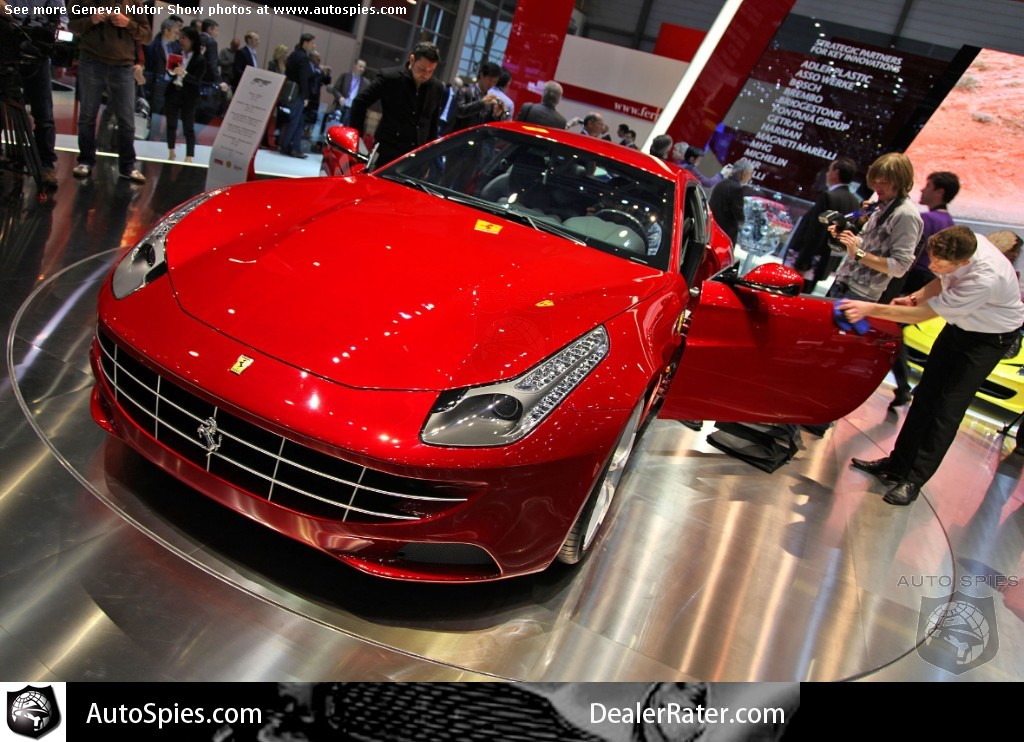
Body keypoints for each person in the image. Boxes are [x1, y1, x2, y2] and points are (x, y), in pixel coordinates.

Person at [841, 226, 1024, 505]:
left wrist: (869, 309)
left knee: (947, 409)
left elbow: (921, 316)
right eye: (932, 258)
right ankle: (897, 464)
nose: (932, 265)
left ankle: (914, 480)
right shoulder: (966, 244)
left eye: (940, 262)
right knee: (925, 395)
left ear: (965, 261)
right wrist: (914, 296)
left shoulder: (985, 278)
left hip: (989, 339)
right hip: (961, 326)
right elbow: (942, 279)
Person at [884, 170, 960, 407]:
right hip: (927, 282)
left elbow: (906, 256)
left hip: (911, 280)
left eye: (928, 185)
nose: (923, 189)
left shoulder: (926, 220)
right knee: (893, 330)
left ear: (940, 191)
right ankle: (903, 386)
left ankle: (903, 386)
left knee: (888, 327)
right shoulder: (949, 223)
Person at [69, 7, 152, 183]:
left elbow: (146, 35)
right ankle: (85, 161)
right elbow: (72, 26)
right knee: (87, 116)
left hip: (123, 65)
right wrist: (91, 20)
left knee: (127, 120)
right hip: (91, 61)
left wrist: (127, 23)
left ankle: (128, 166)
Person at [826, 152, 922, 302]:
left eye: (883, 182)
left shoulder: (906, 215)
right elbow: (864, 243)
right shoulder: (879, 207)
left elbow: (900, 267)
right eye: (875, 181)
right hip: (842, 283)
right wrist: (847, 238)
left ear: (900, 182)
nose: (877, 186)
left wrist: (858, 254)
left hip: (860, 295)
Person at [0, 0, 65, 187]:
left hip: (37, 50)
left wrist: (57, 30)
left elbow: (61, 18)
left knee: (43, 112)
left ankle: (46, 165)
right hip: (6, 46)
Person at [350, 42, 445, 165]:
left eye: (431, 71)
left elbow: (432, 124)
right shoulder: (390, 78)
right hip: (386, 155)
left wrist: (428, 159)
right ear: (412, 60)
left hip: (417, 160)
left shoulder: (437, 87)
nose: (426, 75)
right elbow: (359, 103)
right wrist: (357, 140)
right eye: (422, 69)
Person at [789, 156, 862, 293]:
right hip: (823, 263)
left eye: (829, 170)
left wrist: (802, 263)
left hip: (808, 262)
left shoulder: (829, 196)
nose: (827, 174)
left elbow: (815, 232)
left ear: (836, 173)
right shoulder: (854, 202)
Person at [163, 26, 205, 164]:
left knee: (188, 126)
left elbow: (197, 81)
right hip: (174, 91)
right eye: (180, 37)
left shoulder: (200, 59)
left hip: (189, 96)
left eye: (184, 38)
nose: (181, 40)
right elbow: (170, 73)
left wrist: (184, 74)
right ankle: (171, 151)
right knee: (171, 124)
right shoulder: (177, 53)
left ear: (192, 40)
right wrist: (171, 71)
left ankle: (189, 155)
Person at [279, 33, 316, 158]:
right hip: (298, 93)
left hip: (290, 91)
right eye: (312, 43)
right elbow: (303, 78)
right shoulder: (303, 58)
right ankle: (287, 147)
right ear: (305, 42)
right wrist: (305, 96)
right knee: (295, 121)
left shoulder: (294, 54)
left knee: (298, 121)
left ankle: (294, 147)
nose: (313, 46)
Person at [708, 158, 754, 246]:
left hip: (713, 227)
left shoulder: (722, 182)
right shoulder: (736, 189)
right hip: (725, 232)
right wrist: (742, 222)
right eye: (750, 173)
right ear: (744, 173)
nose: (750, 177)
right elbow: (738, 212)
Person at [449, 60, 503, 132]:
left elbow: (488, 126)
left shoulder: (490, 101)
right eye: (489, 80)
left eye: (495, 82)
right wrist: (481, 103)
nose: (491, 84)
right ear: (482, 75)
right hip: (459, 136)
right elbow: (459, 111)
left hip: (476, 138)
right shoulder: (465, 91)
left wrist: (495, 115)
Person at [328, 58, 368, 126]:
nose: (362, 69)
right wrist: (340, 97)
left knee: (348, 127)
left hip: (353, 109)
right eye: (360, 66)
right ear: (354, 65)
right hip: (341, 106)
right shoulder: (345, 76)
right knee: (337, 126)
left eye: (364, 68)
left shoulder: (365, 83)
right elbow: (335, 89)